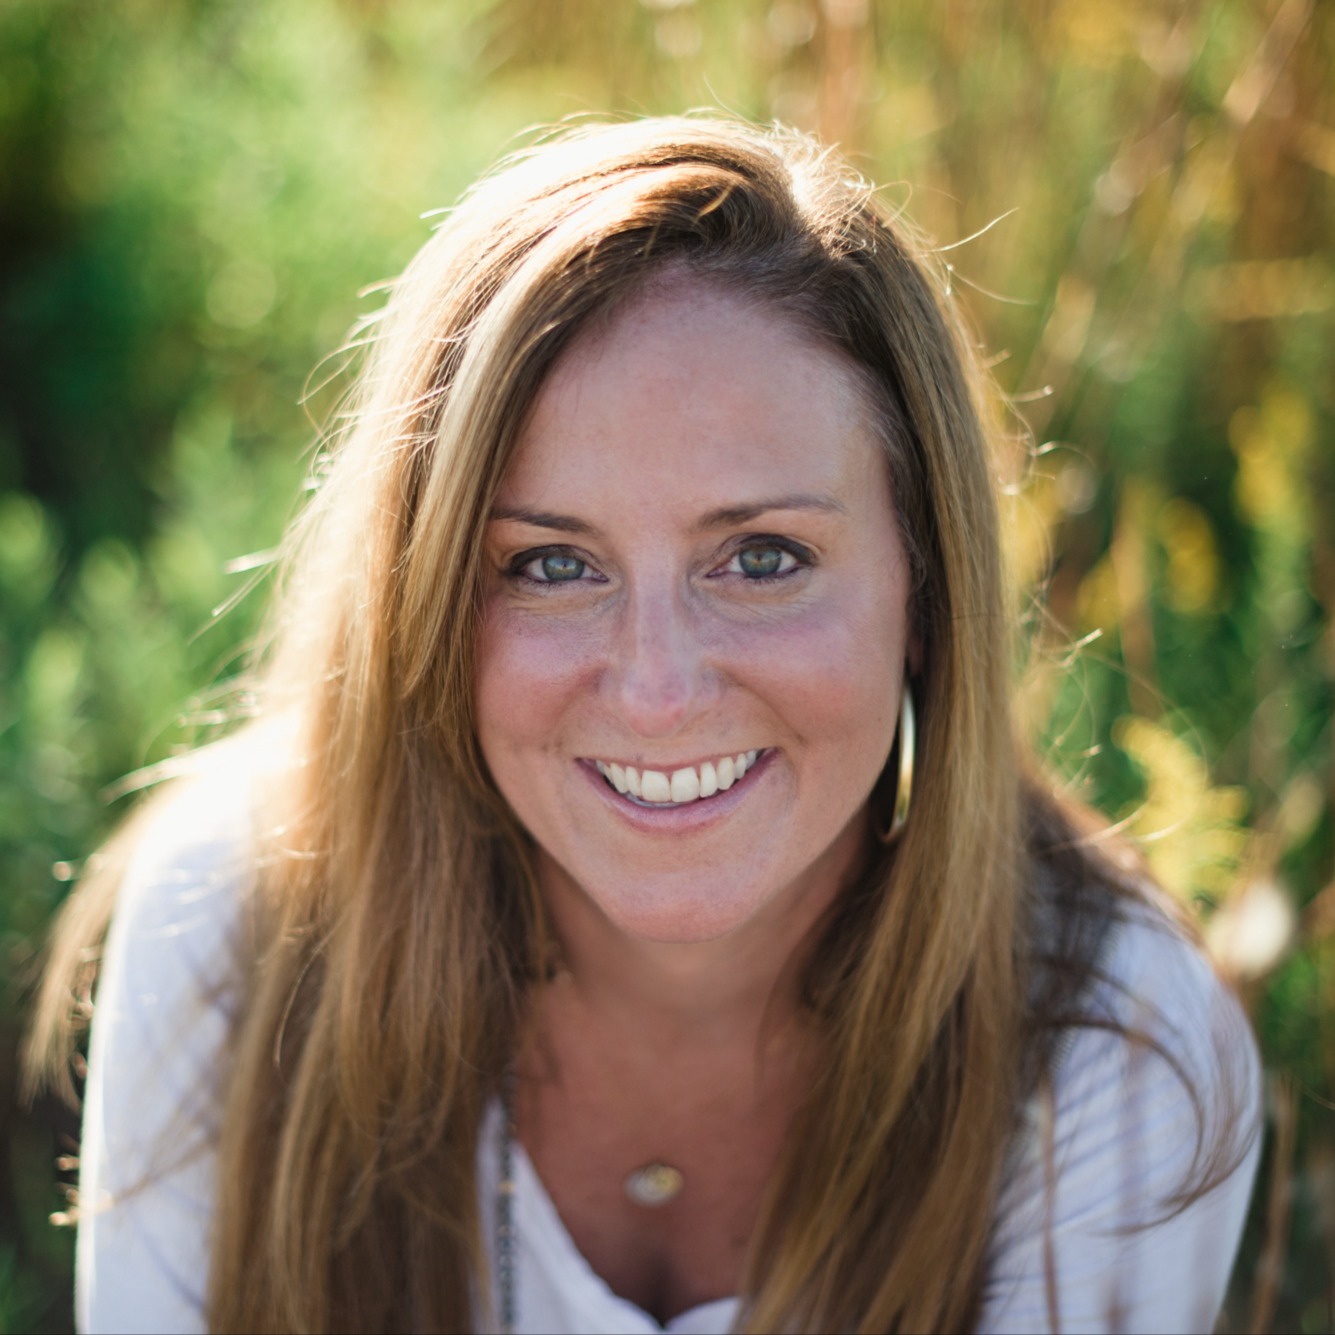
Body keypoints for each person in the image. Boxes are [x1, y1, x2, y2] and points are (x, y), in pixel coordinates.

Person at [28, 116, 1261, 1334]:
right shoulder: (234, 933)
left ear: (926, 593)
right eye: (552, 567)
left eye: (763, 557)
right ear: (424, 605)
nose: (658, 691)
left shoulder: (1112, 1047)